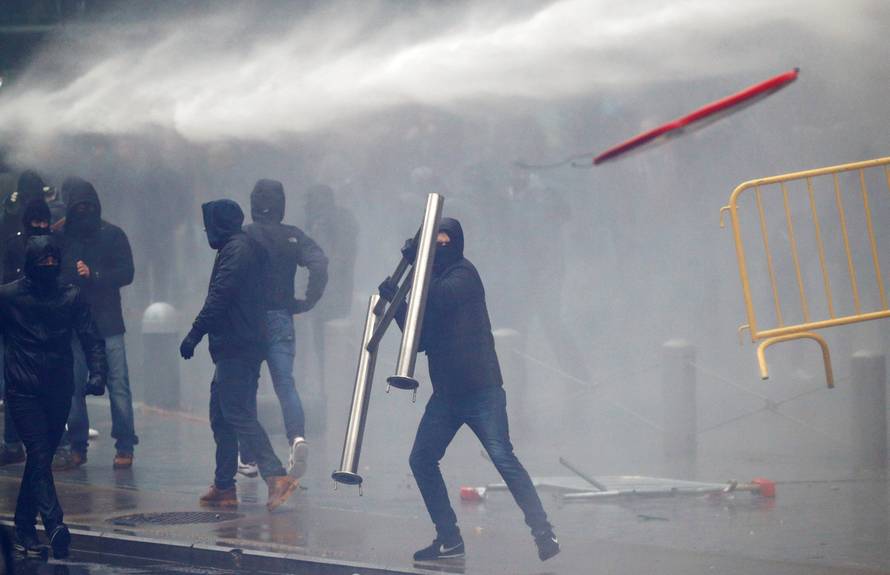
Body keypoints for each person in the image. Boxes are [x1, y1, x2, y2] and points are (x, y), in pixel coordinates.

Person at [380, 217, 559, 563]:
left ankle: (542, 531)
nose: (442, 247)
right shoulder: (430, 279)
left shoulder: (464, 275)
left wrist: (416, 267)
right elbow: (420, 339)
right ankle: (449, 539)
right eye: (437, 241)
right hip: (447, 395)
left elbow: (441, 298)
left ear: (457, 245)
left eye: (446, 241)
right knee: (421, 459)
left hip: (481, 391)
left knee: (503, 457)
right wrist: (397, 304)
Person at [179, 199, 299, 511]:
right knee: (222, 416)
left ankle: (276, 476)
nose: (207, 232)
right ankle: (223, 486)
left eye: (209, 225)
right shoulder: (240, 247)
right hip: (238, 343)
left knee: (238, 413)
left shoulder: (237, 250)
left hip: (238, 345)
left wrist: (194, 333)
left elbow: (221, 296)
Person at [0, 235, 107, 559]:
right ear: (31, 263)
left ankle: (23, 529)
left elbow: (91, 337)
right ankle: (55, 523)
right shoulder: (8, 296)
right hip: (24, 390)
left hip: (58, 389)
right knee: (39, 451)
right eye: (42, 261)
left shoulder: (70, 296)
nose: (48, 265)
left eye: (52, 260)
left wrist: (98, 373)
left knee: (39, 458)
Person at [240, 179, 328, 479]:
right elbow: (320, 262)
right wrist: (308, 300)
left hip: (249, 320)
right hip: (281, 317)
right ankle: (297, 438)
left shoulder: (245, 235)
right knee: (285, 384)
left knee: (246, 386)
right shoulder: (293, 236)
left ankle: (248, 456)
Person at [56, 177, 137, 469]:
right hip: (76, 324)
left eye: (89, 206)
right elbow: (52, 274)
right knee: (74, 386)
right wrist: (73, 277)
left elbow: (127, 272)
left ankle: (125, 444)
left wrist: (95, 275)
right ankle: (78, 445)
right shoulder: (62, 237)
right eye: (79, 207)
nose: (84, 212)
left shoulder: (113, 235)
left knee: (119, 385)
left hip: (107, 322)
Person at [0, 199, 53, 466]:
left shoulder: (55, 245)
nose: (40, 226)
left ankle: (54, 443)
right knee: (14, 387)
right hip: (18, 325)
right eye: (36, 222)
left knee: (50, 387)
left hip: (44, 326)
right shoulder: (14, 245)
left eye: (44, 222)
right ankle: (12, 443)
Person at [303, 184, 358, 385]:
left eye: (311, 201)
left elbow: (335, 262)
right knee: (326, 348)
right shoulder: (337, 221)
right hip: (331, 296)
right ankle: (330, 390)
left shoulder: (332, 224)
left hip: (329, 296)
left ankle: (333, 393)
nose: (307, 206)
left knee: (329, 348)